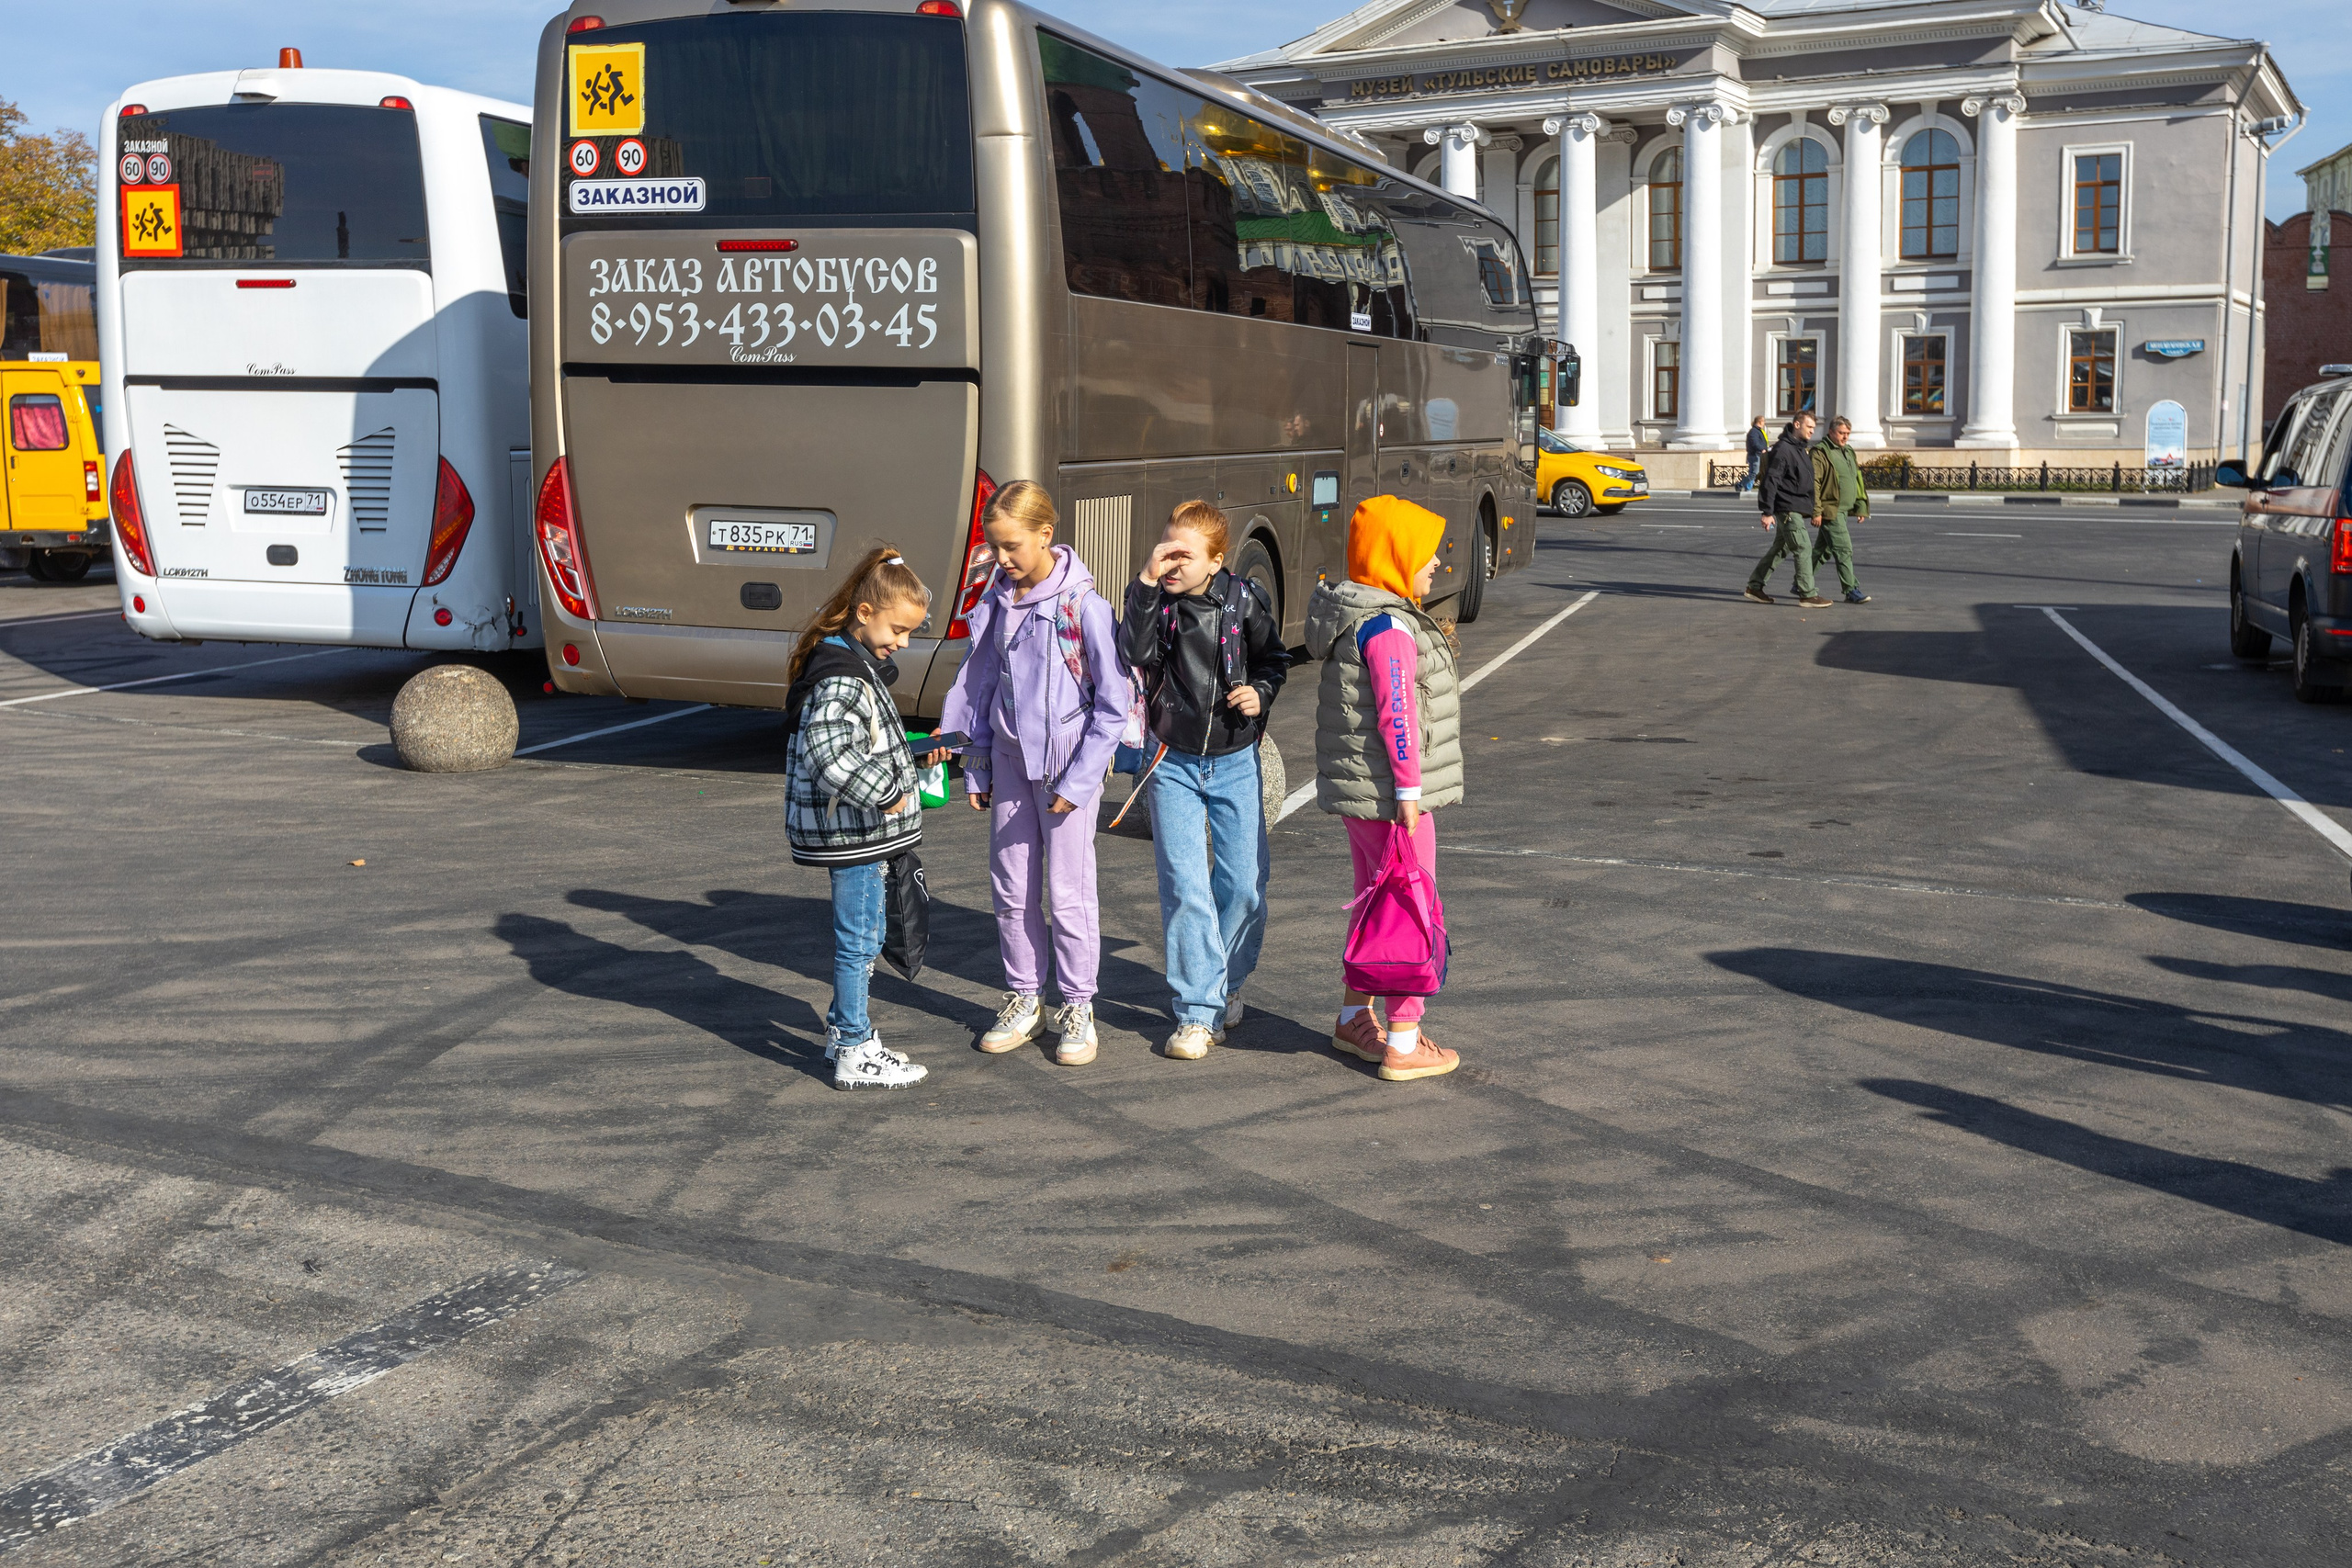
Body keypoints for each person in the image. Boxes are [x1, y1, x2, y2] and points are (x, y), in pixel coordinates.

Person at [937, 481, 1129, 1066]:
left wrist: (1077, 785)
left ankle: (1078, 1005)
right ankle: (1025, 996)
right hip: (1010, 766)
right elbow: (978, 686)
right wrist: (975, 766)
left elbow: (1114, 707)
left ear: (1047, 535)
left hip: (1069, 771)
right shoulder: (996, 600)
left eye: (1012, 546)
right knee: (1010, 887)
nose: (1002, 559)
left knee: (1069, 893)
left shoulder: (1085, 609)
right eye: (994, 548)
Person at [1117, 502, 1288, 1061]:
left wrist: (1260, 693)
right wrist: (1143, 585)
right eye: (1164, 550)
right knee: (1186, 887)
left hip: (1237, 758)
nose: (1169, 563)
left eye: (1182, 555)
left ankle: (1226, 984)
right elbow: (1132, 653)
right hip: (1171, 761)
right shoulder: (1157, 605)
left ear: (1216, 561)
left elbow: (1274, 659)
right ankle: (1196, 1013)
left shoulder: (1244, 601)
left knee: (1243, 885)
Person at [1304, 496, 1462, 1083]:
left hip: (1361, 796)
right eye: (1426, 555)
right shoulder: (1390, 627)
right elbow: (1399, 714)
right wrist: (1410, 791)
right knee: (1411, 905)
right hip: (1393, 798)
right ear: (1395, 556)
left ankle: (1353, 1016)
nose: (1436, 566)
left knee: (1374, 898)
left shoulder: (1357, 616)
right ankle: (1403, 1037)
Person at [782, 546, 947, 1090]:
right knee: (859, 938)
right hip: (853, 832)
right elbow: (829, 754)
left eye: (910, 634)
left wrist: (915, 753)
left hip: (856, 829)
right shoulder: (844, 677)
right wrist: (888, 793)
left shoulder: (849, 662)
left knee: (870, 933)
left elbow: (862, 742)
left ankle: (844, 1031)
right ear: (865, 612)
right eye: (898, 630)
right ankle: (854, 1045)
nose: (902, 643)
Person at [1743, 411, 1834, 608]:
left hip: (1794, 506)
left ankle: (1754, 586)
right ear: (1797, 425)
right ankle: (1807, 594)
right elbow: (1771, 480)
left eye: (1813, 428)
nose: (1812, 431)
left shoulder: (1799, 448)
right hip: (1787, 508)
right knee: (1803, 547)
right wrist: (1767, 512)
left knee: (1780, 548)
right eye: (1809, 427)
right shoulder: (1784, 449)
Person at [1810, 415, 1872, 604]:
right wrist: (1817, 511)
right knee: (1844, 548)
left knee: (1823, 550)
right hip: (1830, 510)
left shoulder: (1848, 451)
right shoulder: (1821, 452)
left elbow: (1856, 479)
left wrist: (1860, 506)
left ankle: (1801, 581)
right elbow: (1815, 483)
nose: (1845, 437)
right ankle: (1850, 589)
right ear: (1831, 432)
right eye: (1841, 433)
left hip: (1844, 510)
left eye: (1847, 433)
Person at [1738, 414, 1768, 495]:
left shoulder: (1758, 431)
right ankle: (1740, 484)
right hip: (1755, 455)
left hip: (1757, 454)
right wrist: (1762, 449)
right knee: (1754, 473)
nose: (1764, 423)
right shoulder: (1754, 431)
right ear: (1760, 422)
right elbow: (1754, 443)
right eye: (1763, 421)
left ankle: (1748, 488)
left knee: (1754, 473)